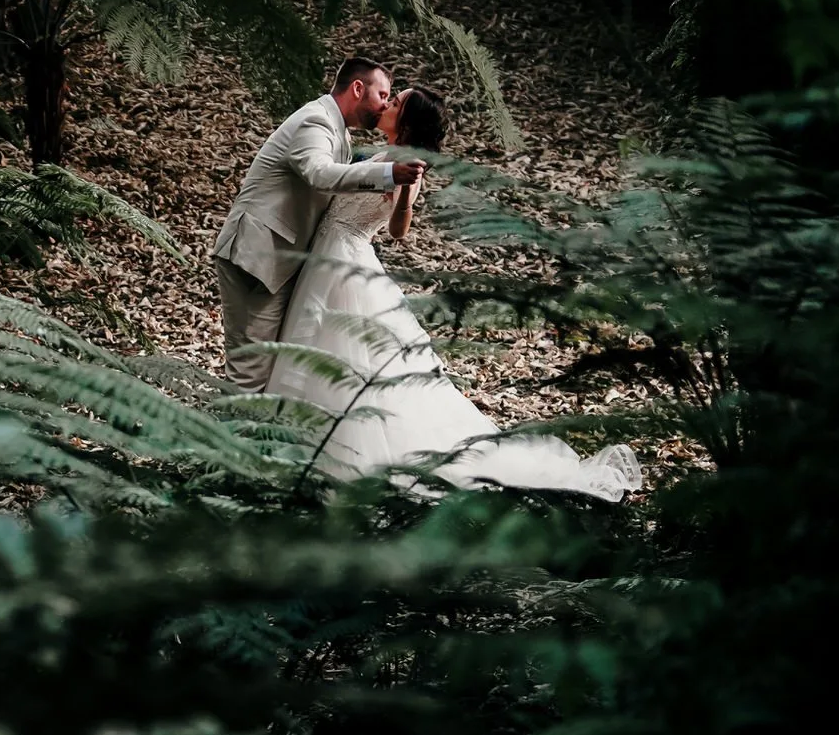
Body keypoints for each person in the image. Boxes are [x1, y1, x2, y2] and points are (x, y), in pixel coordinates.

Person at [265, 86, 643, 502]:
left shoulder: (406, 162)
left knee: (343, 353)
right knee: (325, 348)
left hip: (346, 258)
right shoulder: (381, 154)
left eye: (395, 103)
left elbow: (398, 230)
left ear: (406, 121)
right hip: (332, 253)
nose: (386, 105)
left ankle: (343, 459)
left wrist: (406, 192)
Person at [211, 58, 427, 392]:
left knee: (275, 369)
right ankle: (225, 442)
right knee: (250, 372)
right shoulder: (316, 121)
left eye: (392, 100)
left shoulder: (339, 130)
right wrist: (387, 174)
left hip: (298, 262)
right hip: (259, 257)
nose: (385, 103)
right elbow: (319, 174)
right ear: (358, 88)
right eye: (384, 94)